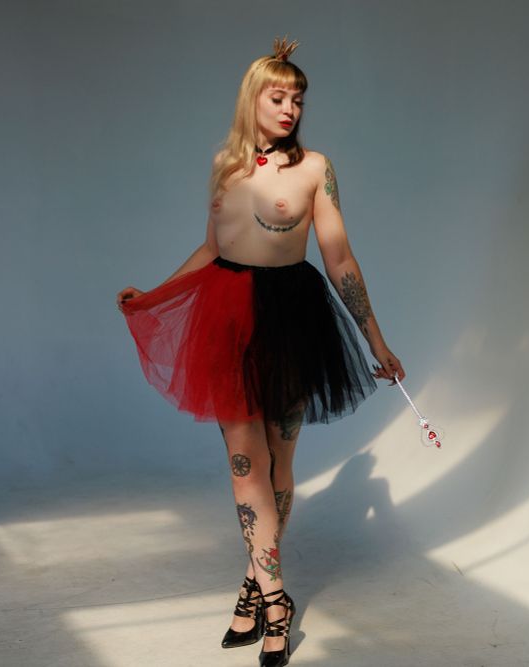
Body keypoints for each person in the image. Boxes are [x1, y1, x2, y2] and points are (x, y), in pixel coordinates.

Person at [116, 36, 404, 667]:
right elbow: (213, 248)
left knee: (277, 466)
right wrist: (157, 294)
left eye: (298, 99)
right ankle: (276, 600)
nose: (290, 109)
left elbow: (339, 259)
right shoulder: (226, 163)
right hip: (227, 320)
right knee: (245, 466)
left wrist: (376, 341)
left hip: (292, 322)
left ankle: (252, 582)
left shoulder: (315, 169)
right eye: (278, 97)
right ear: (253, 98)